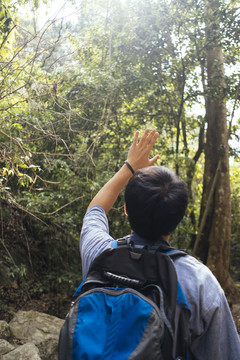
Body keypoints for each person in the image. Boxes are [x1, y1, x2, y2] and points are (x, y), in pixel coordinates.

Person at [80, 129, 240, 359]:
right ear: (178, 218)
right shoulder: (200, 283)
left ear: (125, 210)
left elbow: (95, 211)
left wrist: (130, 167)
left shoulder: (99, 254)